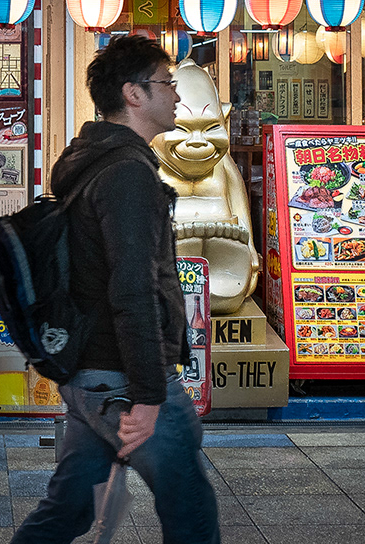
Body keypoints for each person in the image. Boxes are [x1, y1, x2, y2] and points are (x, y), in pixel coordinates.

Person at [11, 33, 216, 544]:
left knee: (67, 512)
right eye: (167, 84)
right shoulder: (128, 174)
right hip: (120, 380)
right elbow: (132, 289)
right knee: (192, 512)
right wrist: (148, 396)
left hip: (89, 376)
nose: (177, 97)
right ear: (134, 94)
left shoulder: (94, 160)